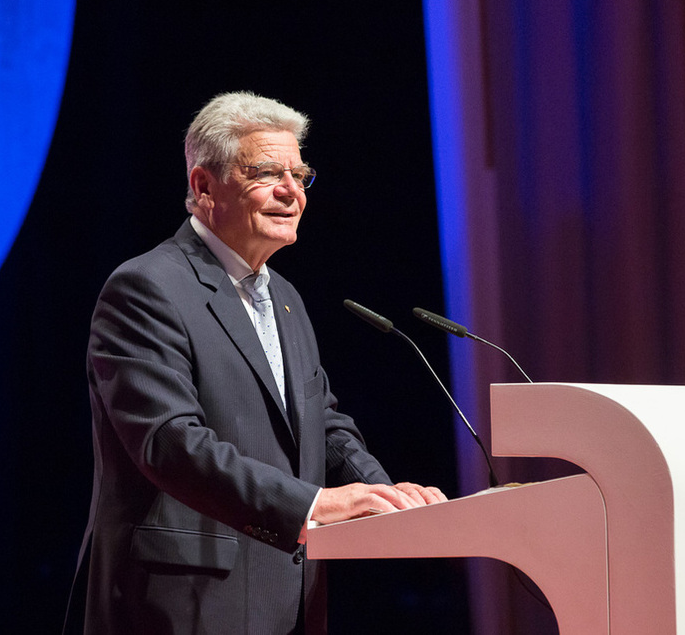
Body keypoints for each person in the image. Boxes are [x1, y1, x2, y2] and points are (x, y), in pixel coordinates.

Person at [65, 91, 446, 634]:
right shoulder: (147, 288)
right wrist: (316, 503)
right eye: (268, 173)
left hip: (290, 601)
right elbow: (171, 445)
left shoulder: (284, 296)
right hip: (184, 603)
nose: (291, 192)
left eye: (301, 175)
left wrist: (387, 496)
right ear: (203, 187)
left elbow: (324, 425)